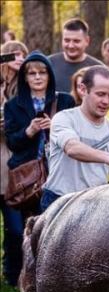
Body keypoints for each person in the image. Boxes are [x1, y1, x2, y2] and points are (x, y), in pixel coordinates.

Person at [40, 66, 109, 211]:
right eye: (100, 94)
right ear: (83, 90)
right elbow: (72, 148)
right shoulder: (64, 118)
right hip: (59, 201)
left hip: (95, 205)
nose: (106, 101)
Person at [4, 51, 76, 210]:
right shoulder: (12, 106)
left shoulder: (65, 101)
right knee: (28, 222)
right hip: (27, 176)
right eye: (32, 73)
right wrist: (29, 131)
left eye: (42, 72)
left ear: (49, 75)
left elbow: (77, 136)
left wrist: (54, 127)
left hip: (59, 172)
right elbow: (11, 143)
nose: (37, 77)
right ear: (25, 77)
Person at [0, 40, 29, 287]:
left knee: (16, 228)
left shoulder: (24, 89)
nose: (19, 58)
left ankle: (12, 273)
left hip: (14, 165)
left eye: (23, 54)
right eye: (14, 54)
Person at [47, 18, 103, 93]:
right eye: (67, 40)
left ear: (87, 41)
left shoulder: (99, 69)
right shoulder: (48, 64)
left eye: (76, 41)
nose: (71, 46)